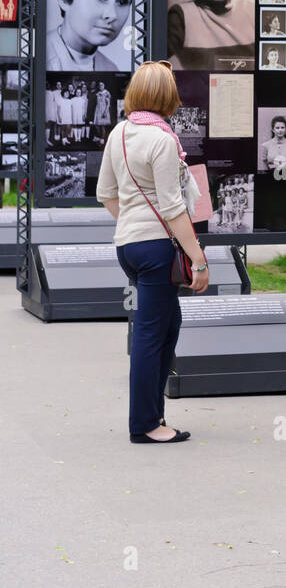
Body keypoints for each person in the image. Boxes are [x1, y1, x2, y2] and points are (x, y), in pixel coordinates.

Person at [96, 61, 209, 444]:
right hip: (156, 248)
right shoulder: (162, 140)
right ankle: (145, 424)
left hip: (129, 245)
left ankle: (153, 414)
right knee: (151, 333)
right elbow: (173, 207)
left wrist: (131, 224)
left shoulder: (120, 133)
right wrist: (198, 258)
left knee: (165, 326)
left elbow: (105, 194)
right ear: (166, 96)